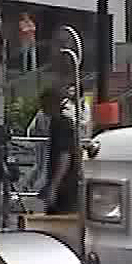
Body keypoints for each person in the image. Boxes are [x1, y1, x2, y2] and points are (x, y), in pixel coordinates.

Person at [38, 84, 81, 216]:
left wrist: (54, 186)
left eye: (44, 102)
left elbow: (65, 155)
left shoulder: (62, 124)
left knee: (60, 218)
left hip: (65, 184)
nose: (41, 106)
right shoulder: (57, 122)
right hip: (63, 182)